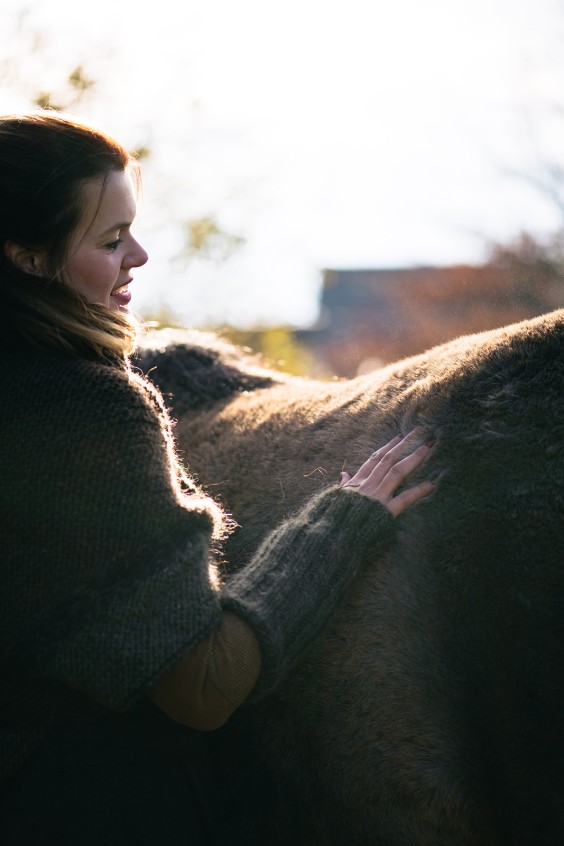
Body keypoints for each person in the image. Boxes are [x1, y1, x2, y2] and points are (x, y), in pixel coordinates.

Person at [0, 110, 436, 844]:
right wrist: (338, 524)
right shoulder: (87, 411)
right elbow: (203, 688)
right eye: (109, 241)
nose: (138, 255)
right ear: (26, 257)